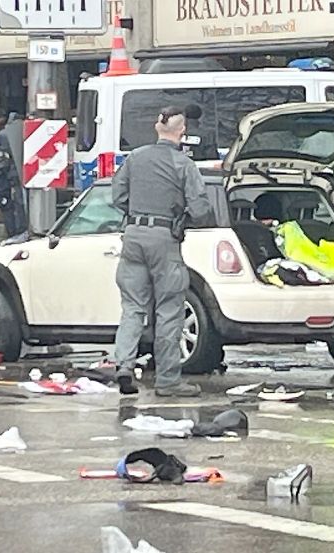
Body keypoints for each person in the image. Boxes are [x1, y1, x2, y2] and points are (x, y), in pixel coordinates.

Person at [110, 106, 213, 397]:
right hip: (164, 238)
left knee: (132, 307)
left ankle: (124, 366)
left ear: (157, 128)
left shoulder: (135, 158)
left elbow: (117, 196)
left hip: (132, 235)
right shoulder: (183, 164)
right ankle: (168, 380)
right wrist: (183, 220)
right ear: (183, 132)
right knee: (169, 309)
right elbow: (201, 209)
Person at [0, 108, 27, 234]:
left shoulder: (2, 135)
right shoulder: (25, 130)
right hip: (25, 170)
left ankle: (19, 228)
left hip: (12, 173)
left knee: (18, 202)